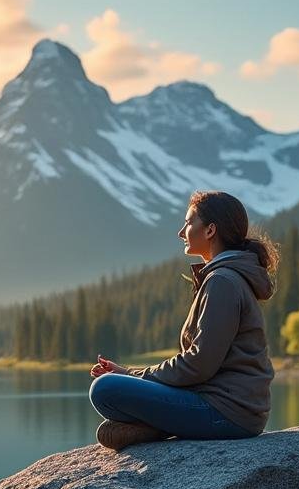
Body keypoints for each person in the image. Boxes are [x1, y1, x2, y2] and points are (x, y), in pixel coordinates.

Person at [88, 190, 279, 451]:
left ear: (211, 230)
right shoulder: (225, 277)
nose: (181, 232)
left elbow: (199, 364)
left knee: (105, 389)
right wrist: (132, 376)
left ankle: (159, 427)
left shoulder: (223, 281)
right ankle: (158, 427)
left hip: (227, 412)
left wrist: (133, 376)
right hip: (229, 408)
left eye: (189, 223)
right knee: (110, 414)